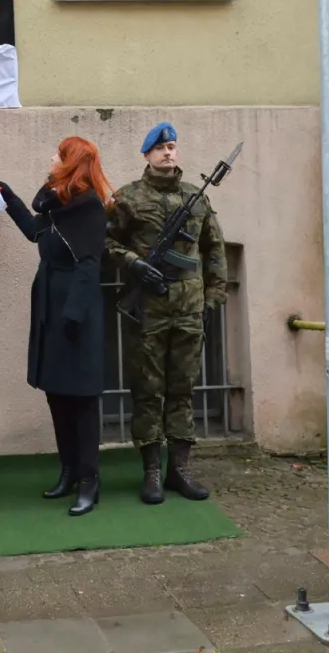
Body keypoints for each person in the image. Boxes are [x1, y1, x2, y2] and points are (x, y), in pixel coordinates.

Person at [105, 122, 227, 505]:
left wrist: (212, 299)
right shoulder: (127, 198)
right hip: (149, 310)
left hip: (189, 309)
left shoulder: (197, 198)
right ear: (147, 155)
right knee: (147, 392)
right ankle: (152, 472)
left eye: (173, 146)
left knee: (183, 390)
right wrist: (134, 263)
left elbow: (215, 251)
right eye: (160, 148)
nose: (168, 153)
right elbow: (106, 241)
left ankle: (180, 469)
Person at [0, 137, 112, 517]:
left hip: (73, 312)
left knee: (80, 398)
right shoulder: (56, 202)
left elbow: (89, 264)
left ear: (70, 163)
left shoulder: (89, 206)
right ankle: (68, 472)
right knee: (56, 394)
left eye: (57, 155)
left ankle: (89, 481)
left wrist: (73, 316)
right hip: (49, 303)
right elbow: (34, 231)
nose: (50, 158)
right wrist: (8, 197)